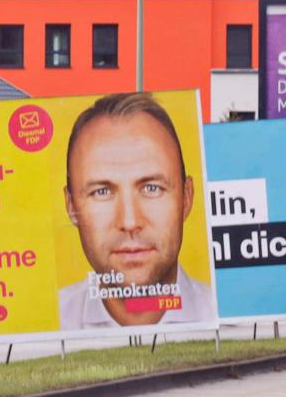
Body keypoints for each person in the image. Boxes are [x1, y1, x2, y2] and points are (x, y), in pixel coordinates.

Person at [57, 92, 216, 330]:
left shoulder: (228, 319)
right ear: (71, 206)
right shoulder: (50, 322)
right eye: (102, 192)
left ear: (187, 197)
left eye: (152, 188)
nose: (130, 222)